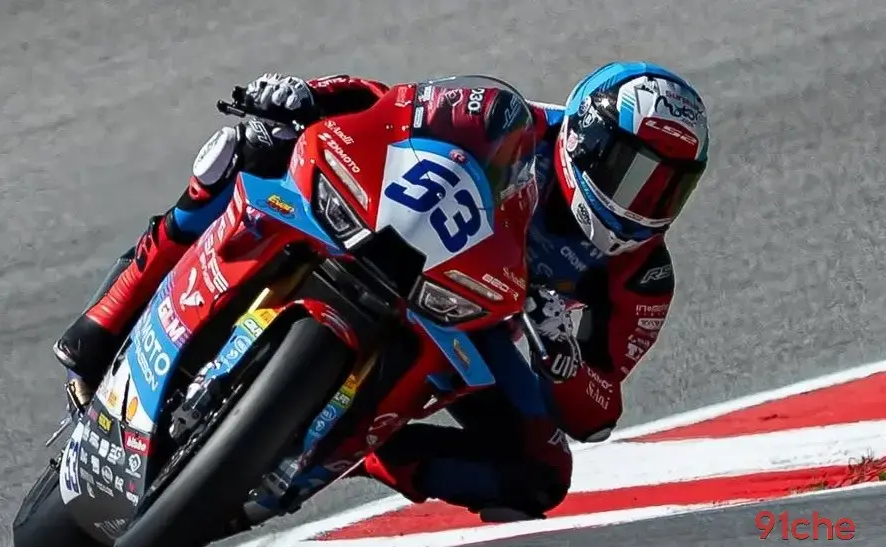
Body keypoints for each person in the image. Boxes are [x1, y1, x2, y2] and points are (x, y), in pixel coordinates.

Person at [53, 63, 711, 522]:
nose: (645, 203)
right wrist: (304, 97)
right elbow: (391, 105)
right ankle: (107, 319)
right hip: (391, 238)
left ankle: (362, 455)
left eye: (668, 190)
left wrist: (564, 359)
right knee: (246, 149)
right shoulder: (520, 124)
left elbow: (598, 413)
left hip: (474, 329)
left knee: (541, 475)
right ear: (588, 142)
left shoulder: (642, 277)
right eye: (635, 175)